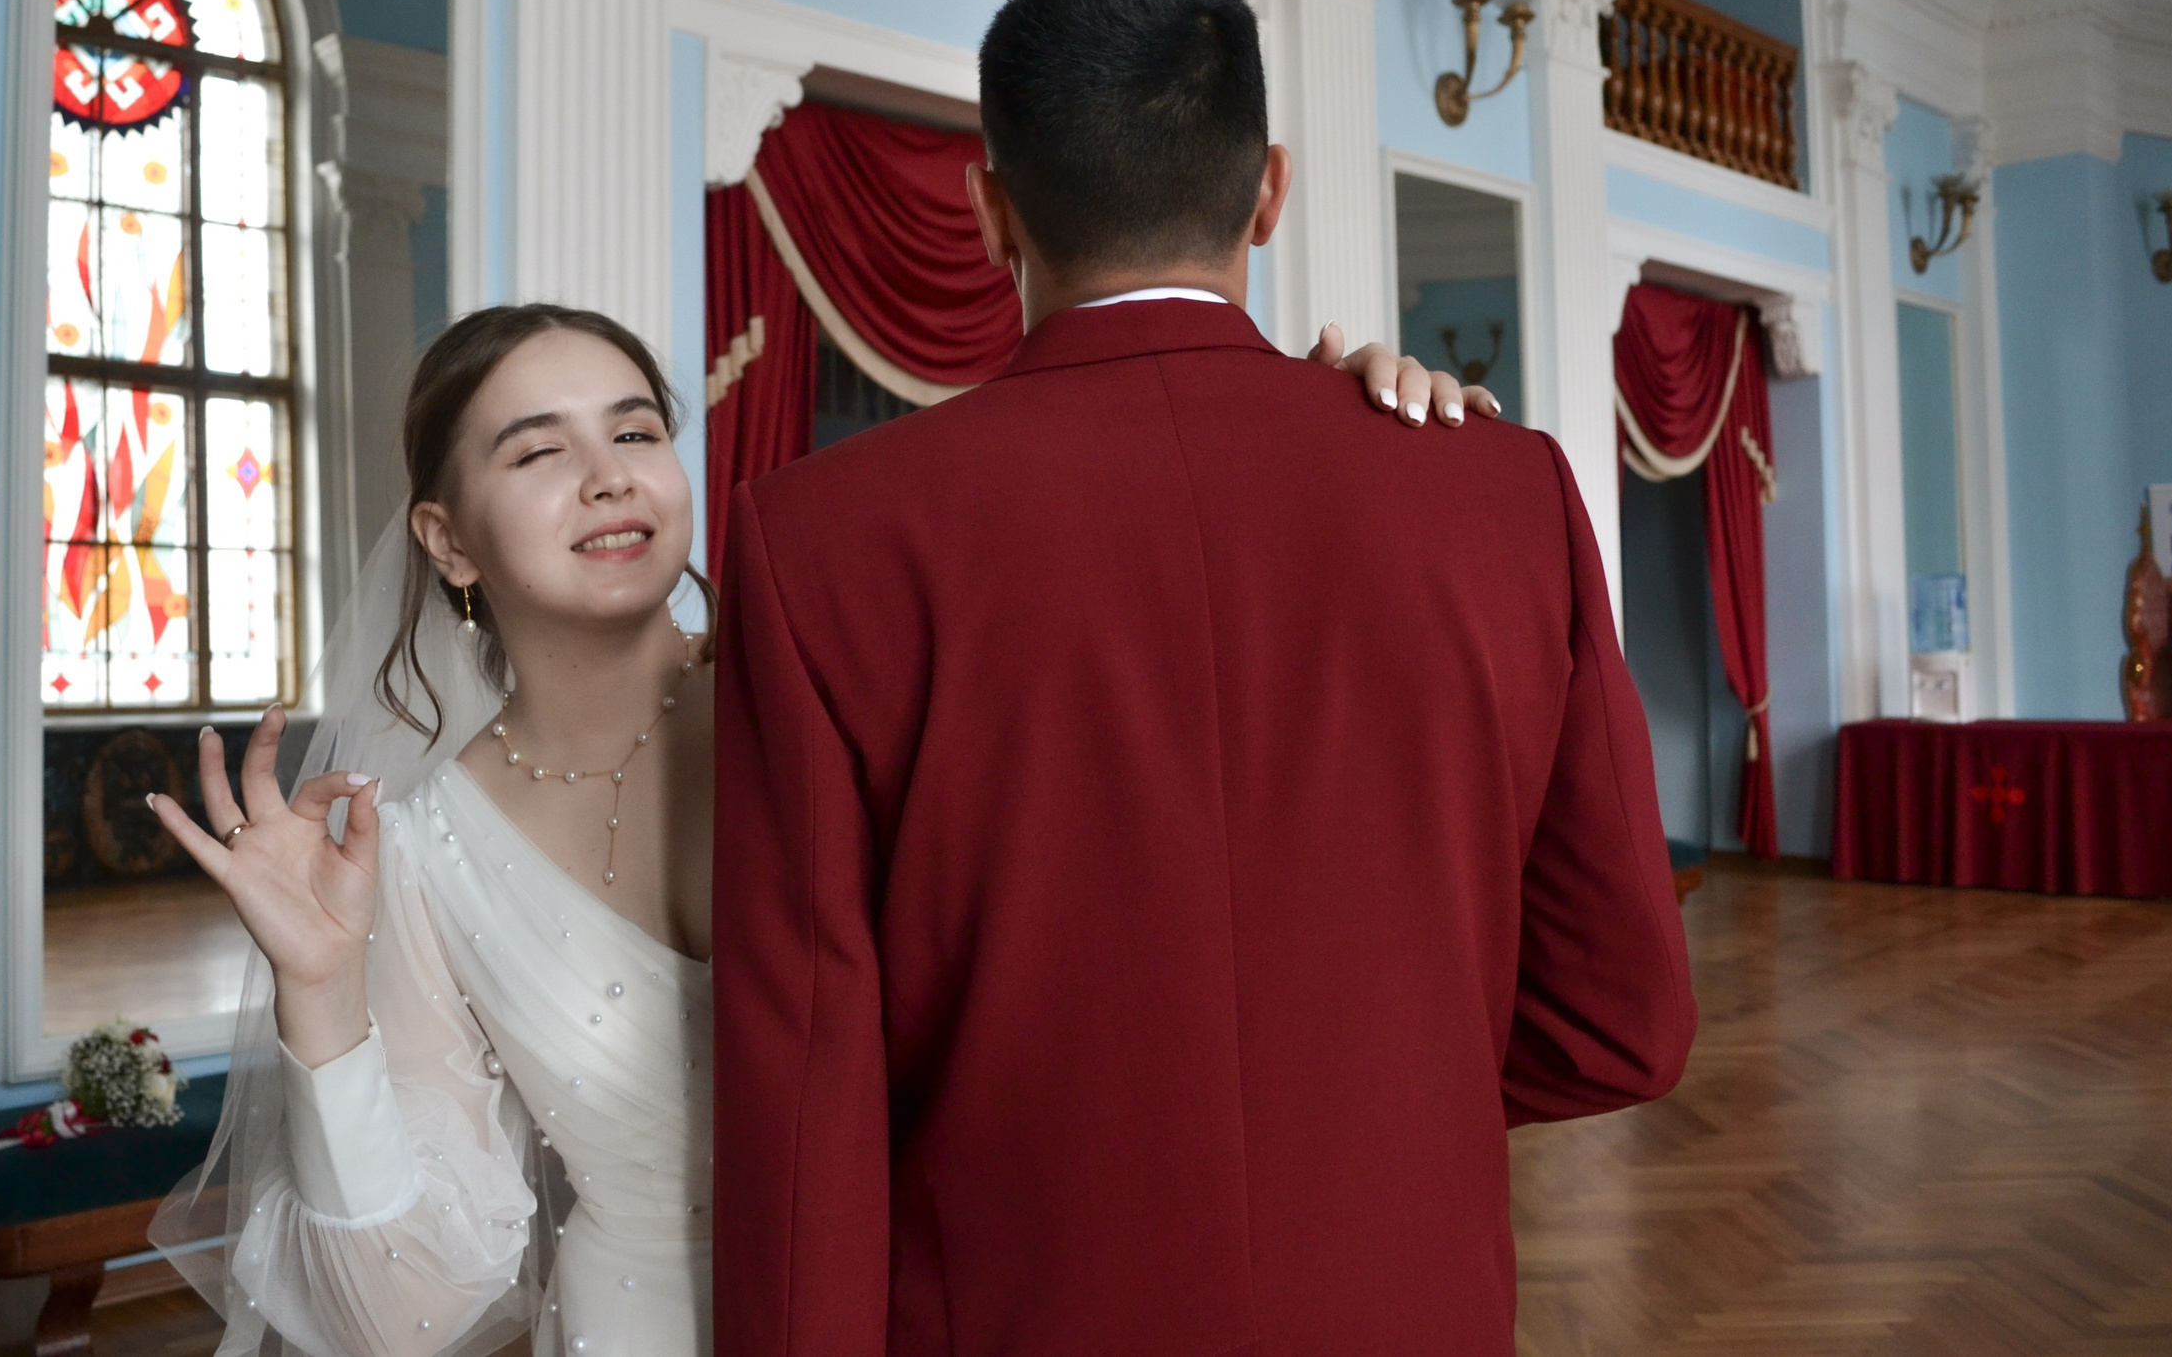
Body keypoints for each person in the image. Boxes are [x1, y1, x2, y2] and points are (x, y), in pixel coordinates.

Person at [146, 296, 1490, 1356]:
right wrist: (321, 994)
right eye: (540, 451)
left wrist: (1329, 433)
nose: (609, 479)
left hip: (966, 1304)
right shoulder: (428, 850)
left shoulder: (849, 686)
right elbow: (406, 1314)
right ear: (447, 541)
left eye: (633, 431)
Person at [713, 0, 1699, 1357]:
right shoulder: (1505, 493)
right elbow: (1626, 1021)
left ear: (990, 213)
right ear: (1269, 191)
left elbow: (805, 1088)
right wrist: (1380, 1103)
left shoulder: (817, 540)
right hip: (1408, 1303)